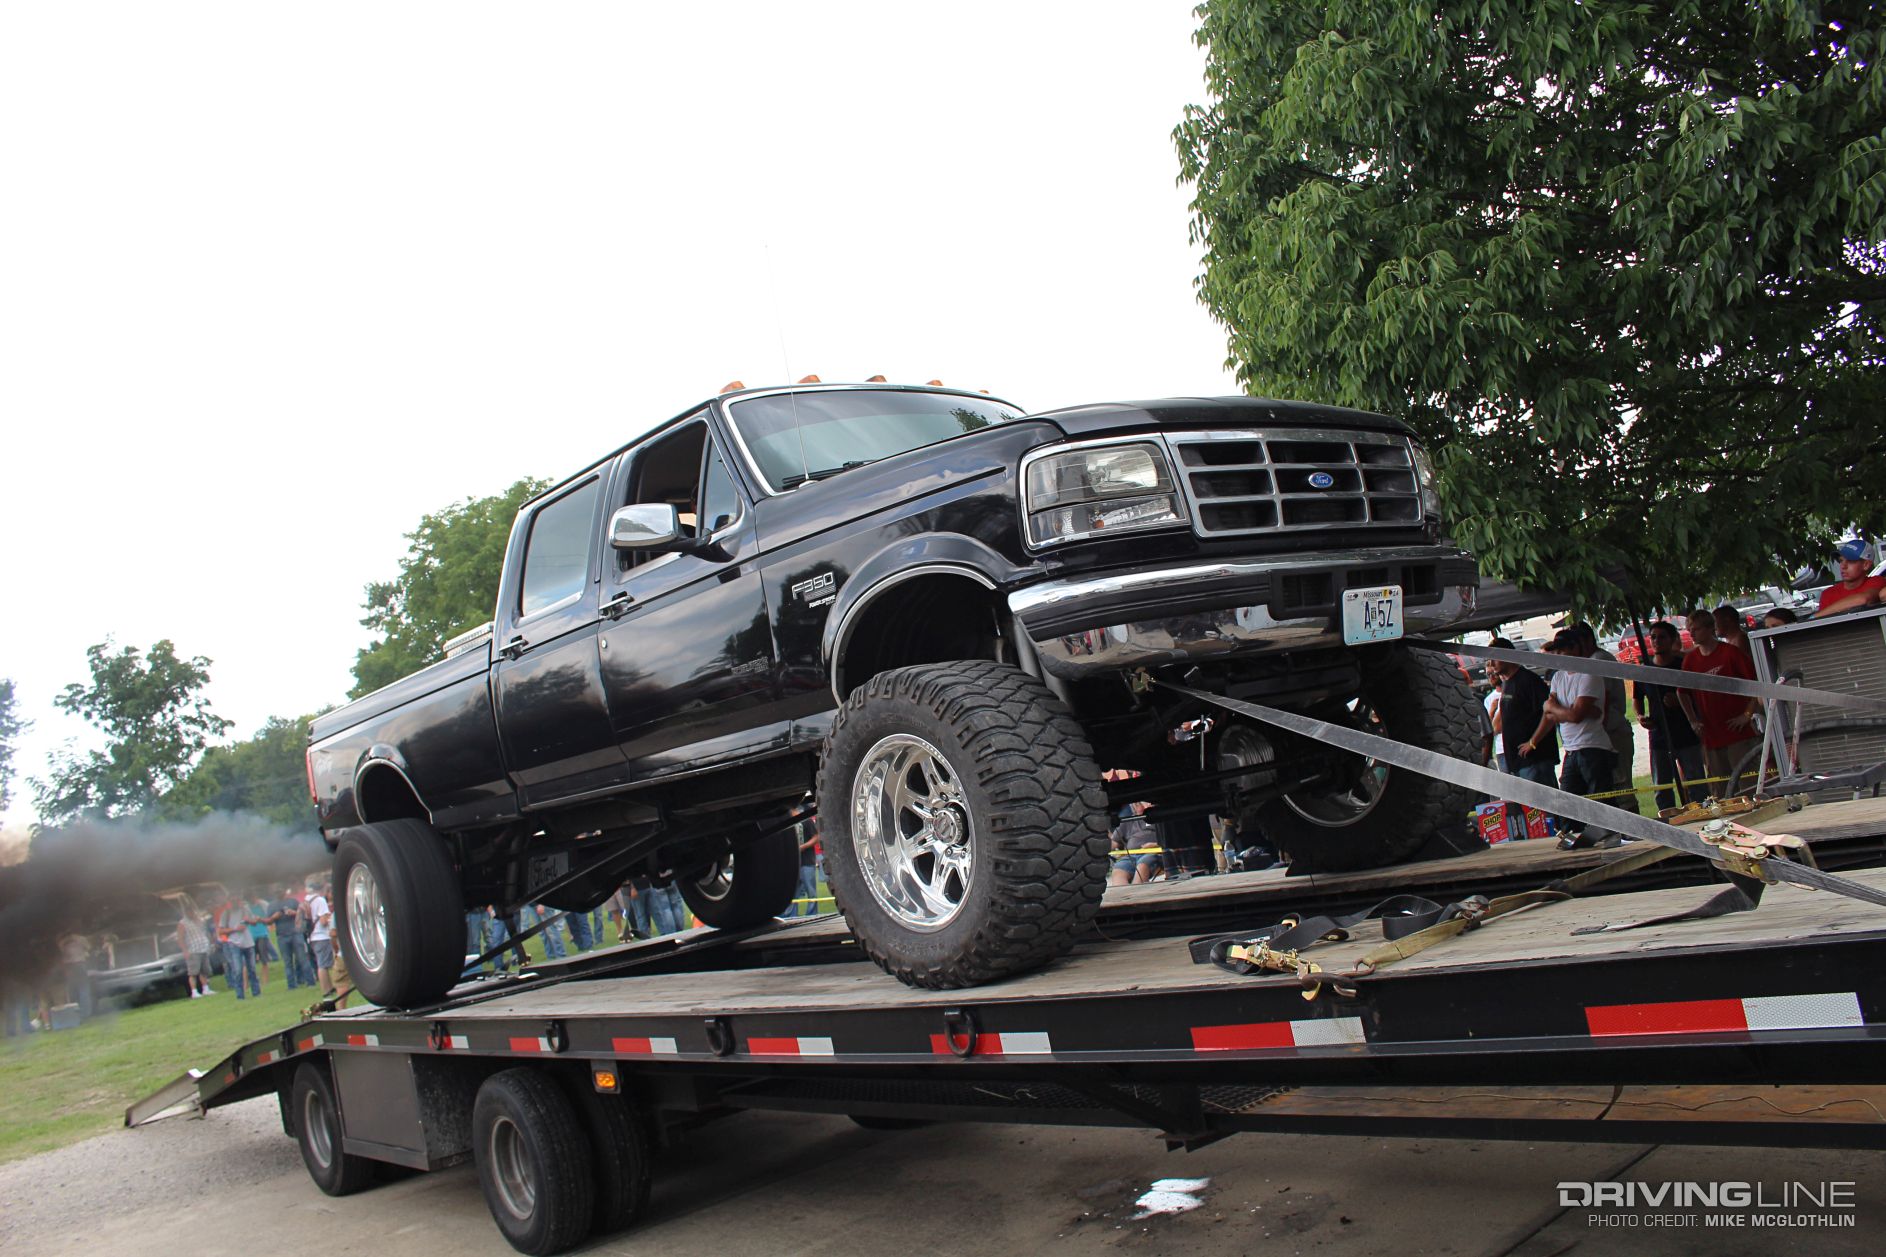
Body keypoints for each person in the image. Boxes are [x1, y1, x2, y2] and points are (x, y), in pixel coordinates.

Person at [1518, 632, 1613, 849]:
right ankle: (1575, 838)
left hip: (1592, 746)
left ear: (1575, 649)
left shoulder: (1588, 674)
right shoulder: (1558, 677)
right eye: (1556, 652)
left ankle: (1608, 836)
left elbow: (1574, 715)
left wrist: (1554, 709)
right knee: (1569, 801)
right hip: (1571, 748)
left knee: (1600, 799)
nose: (1559, 656)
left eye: (1563, 651)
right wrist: (1534, 740)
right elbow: (1550, 716)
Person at [1681, 607, 1760, 797]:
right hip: (1712, 735)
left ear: (1710, 629)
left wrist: (1747, 715)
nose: (1692, 634)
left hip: (1738, 734)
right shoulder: (1690, 660)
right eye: (1689, 629)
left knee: (1748, 785)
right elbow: (1681, 692)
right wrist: (1692, 719)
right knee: (1721, 790)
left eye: (1697, 629)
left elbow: (1755, 684)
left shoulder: (1730, 653)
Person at [1570, 623, 1638, 814]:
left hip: (1612, 732)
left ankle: (1636, 831)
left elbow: (1604, 702)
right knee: (1611, 788)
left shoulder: (1597, 661)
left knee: (1621, 787)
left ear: (1586, 641)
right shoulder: (1592, 661)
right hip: (1606, 732)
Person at [1637, 620, 1704, 811]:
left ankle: (1701, 813)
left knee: (1695, 781)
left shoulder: (1682, 666)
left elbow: (1697, 694)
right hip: (1659, 734)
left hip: (1685, 732)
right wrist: (1641, 716)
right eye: (1653, 637)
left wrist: (1680, 701)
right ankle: (1667, 819)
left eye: (1662, 637)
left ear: (1673, 639)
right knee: (1662, 784)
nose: (1657, 641)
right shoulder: (1645, 670)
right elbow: (1637, 697)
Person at [1491, 638, 1558, 786]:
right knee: (1529, 809)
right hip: (1516, 761)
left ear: (1507, 656)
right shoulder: (1507, 684)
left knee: (1546, 806)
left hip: (1535, 759)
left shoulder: (1529, 681)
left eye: (1495, 658)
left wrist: (1533, 742)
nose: (1491, 663)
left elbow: (1549, 714)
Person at [1815, 538, 1886, 617]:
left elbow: (1862, 599)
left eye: (1850, 561)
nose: (1843, 566)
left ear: (1866, 565)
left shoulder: (1876, 581)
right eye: (1841, 560)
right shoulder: (1828, 593)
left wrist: (1814, 617)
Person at [216, 898, 261, 998]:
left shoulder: (245, 910)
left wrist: (248, 920)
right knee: (237, 970)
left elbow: (254, 922)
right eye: (233, 900)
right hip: (234, 943)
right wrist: (235, 929)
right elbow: (221, 931)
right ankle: (240, 995)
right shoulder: (226, 914)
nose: (235, 902)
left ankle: (256, 992)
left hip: (248, 942)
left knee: (252, 969)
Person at [175, 900, 215, 999]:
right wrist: (185, 950)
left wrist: (209, 943)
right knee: (193, 972)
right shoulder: (182, 923)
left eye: (192, 911)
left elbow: (205, 932)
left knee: (204, 971)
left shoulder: (199, 920)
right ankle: (194, 991)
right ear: (186, 912)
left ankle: (206, 989)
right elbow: (180, 938)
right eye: (189, 912)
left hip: (203, 948)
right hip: (193, 950)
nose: (192, 913)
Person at [275, 886, 313, 990]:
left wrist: (294, 913)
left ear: (284, 892)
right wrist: (275, 916)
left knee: (302, 958)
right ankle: (291, 986)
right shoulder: (272, 905)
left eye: (280, 891)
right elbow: (268, 920)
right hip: (282, 935)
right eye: (277, 892)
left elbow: (303, 913)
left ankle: (310, 982)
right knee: (287, 962)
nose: (279, 893)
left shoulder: (293, 901)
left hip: (296, 933)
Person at [307, 882, 336, 998]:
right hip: (321, 935)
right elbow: (323, 922)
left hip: (312, 936)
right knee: (323, 965)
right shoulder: (320, 901)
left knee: (322, 962)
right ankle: (326, 990)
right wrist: (330, 917)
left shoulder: (307, 899)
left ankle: (329, 987)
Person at [246, 892, 275, 986]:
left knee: (264, 959)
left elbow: (268, 917)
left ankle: (265, 981)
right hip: (251, 936)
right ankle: (249, 982)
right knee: (250, 961)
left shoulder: (262, 905)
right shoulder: (247, 909)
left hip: (262, 934)